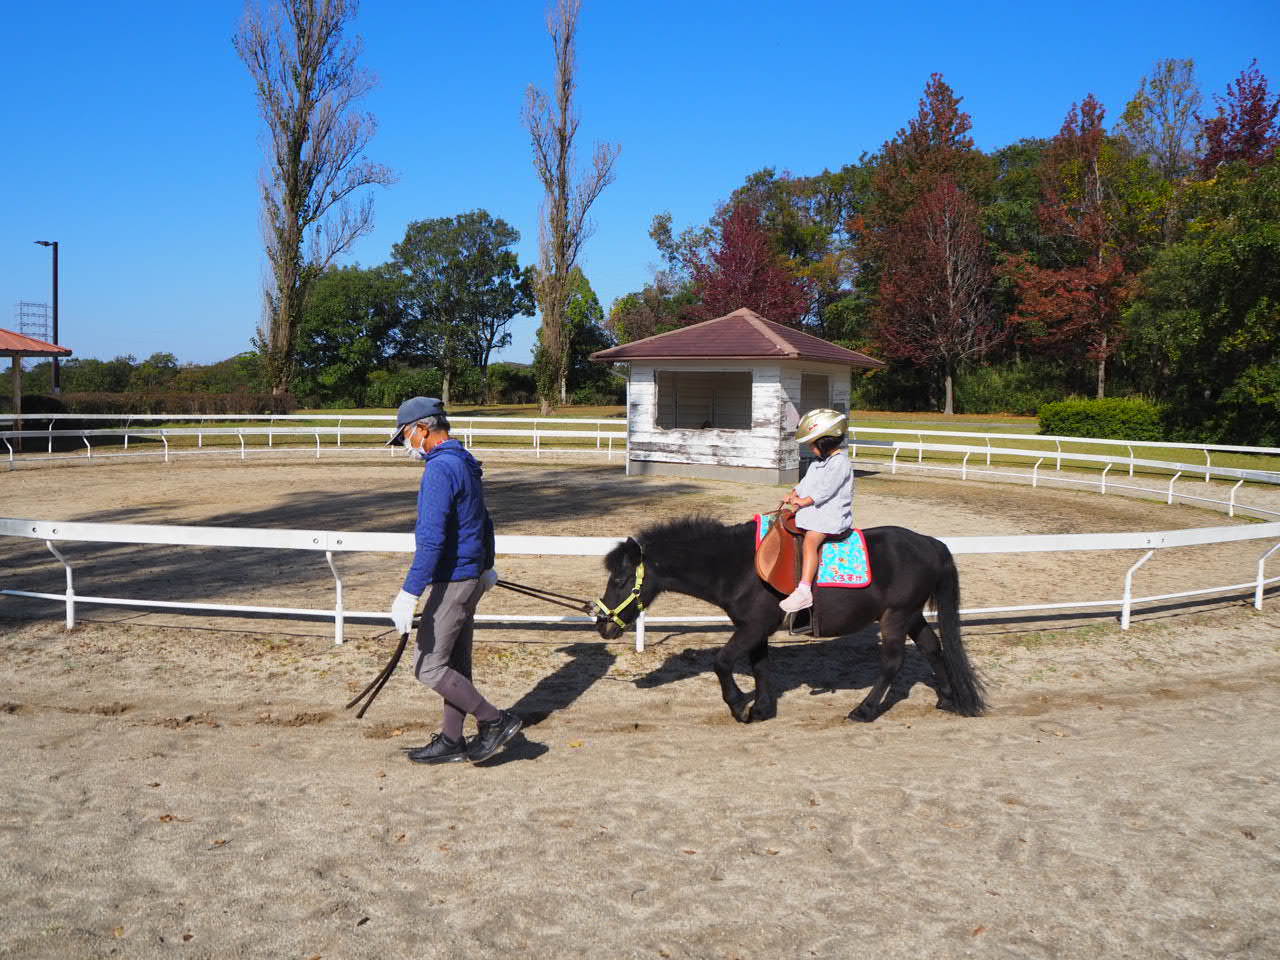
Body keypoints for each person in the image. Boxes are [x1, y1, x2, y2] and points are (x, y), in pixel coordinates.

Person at [386, 396, 522, 765]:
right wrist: (487, 566)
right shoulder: (464, 462)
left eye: (405, 437)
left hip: (454, 579)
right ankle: (451, 739)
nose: (405, 446)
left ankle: (495, 721)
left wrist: (409, 592)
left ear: (422, 429)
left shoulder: (440, 469)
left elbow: (431, 539)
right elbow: (484, 520)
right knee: (455, 665)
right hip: (471, 575)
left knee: (428, 666)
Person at [778, 408, 853, 613]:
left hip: (830, 517)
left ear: (824, 443)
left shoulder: (840, 463)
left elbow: (826, 490)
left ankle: (804, 592)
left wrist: (803, 501)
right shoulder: (818, 463)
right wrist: (793, 493)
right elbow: (806, 483)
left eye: (813, 444)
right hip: (814, 512)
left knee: (811, 541)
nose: (811, 448)